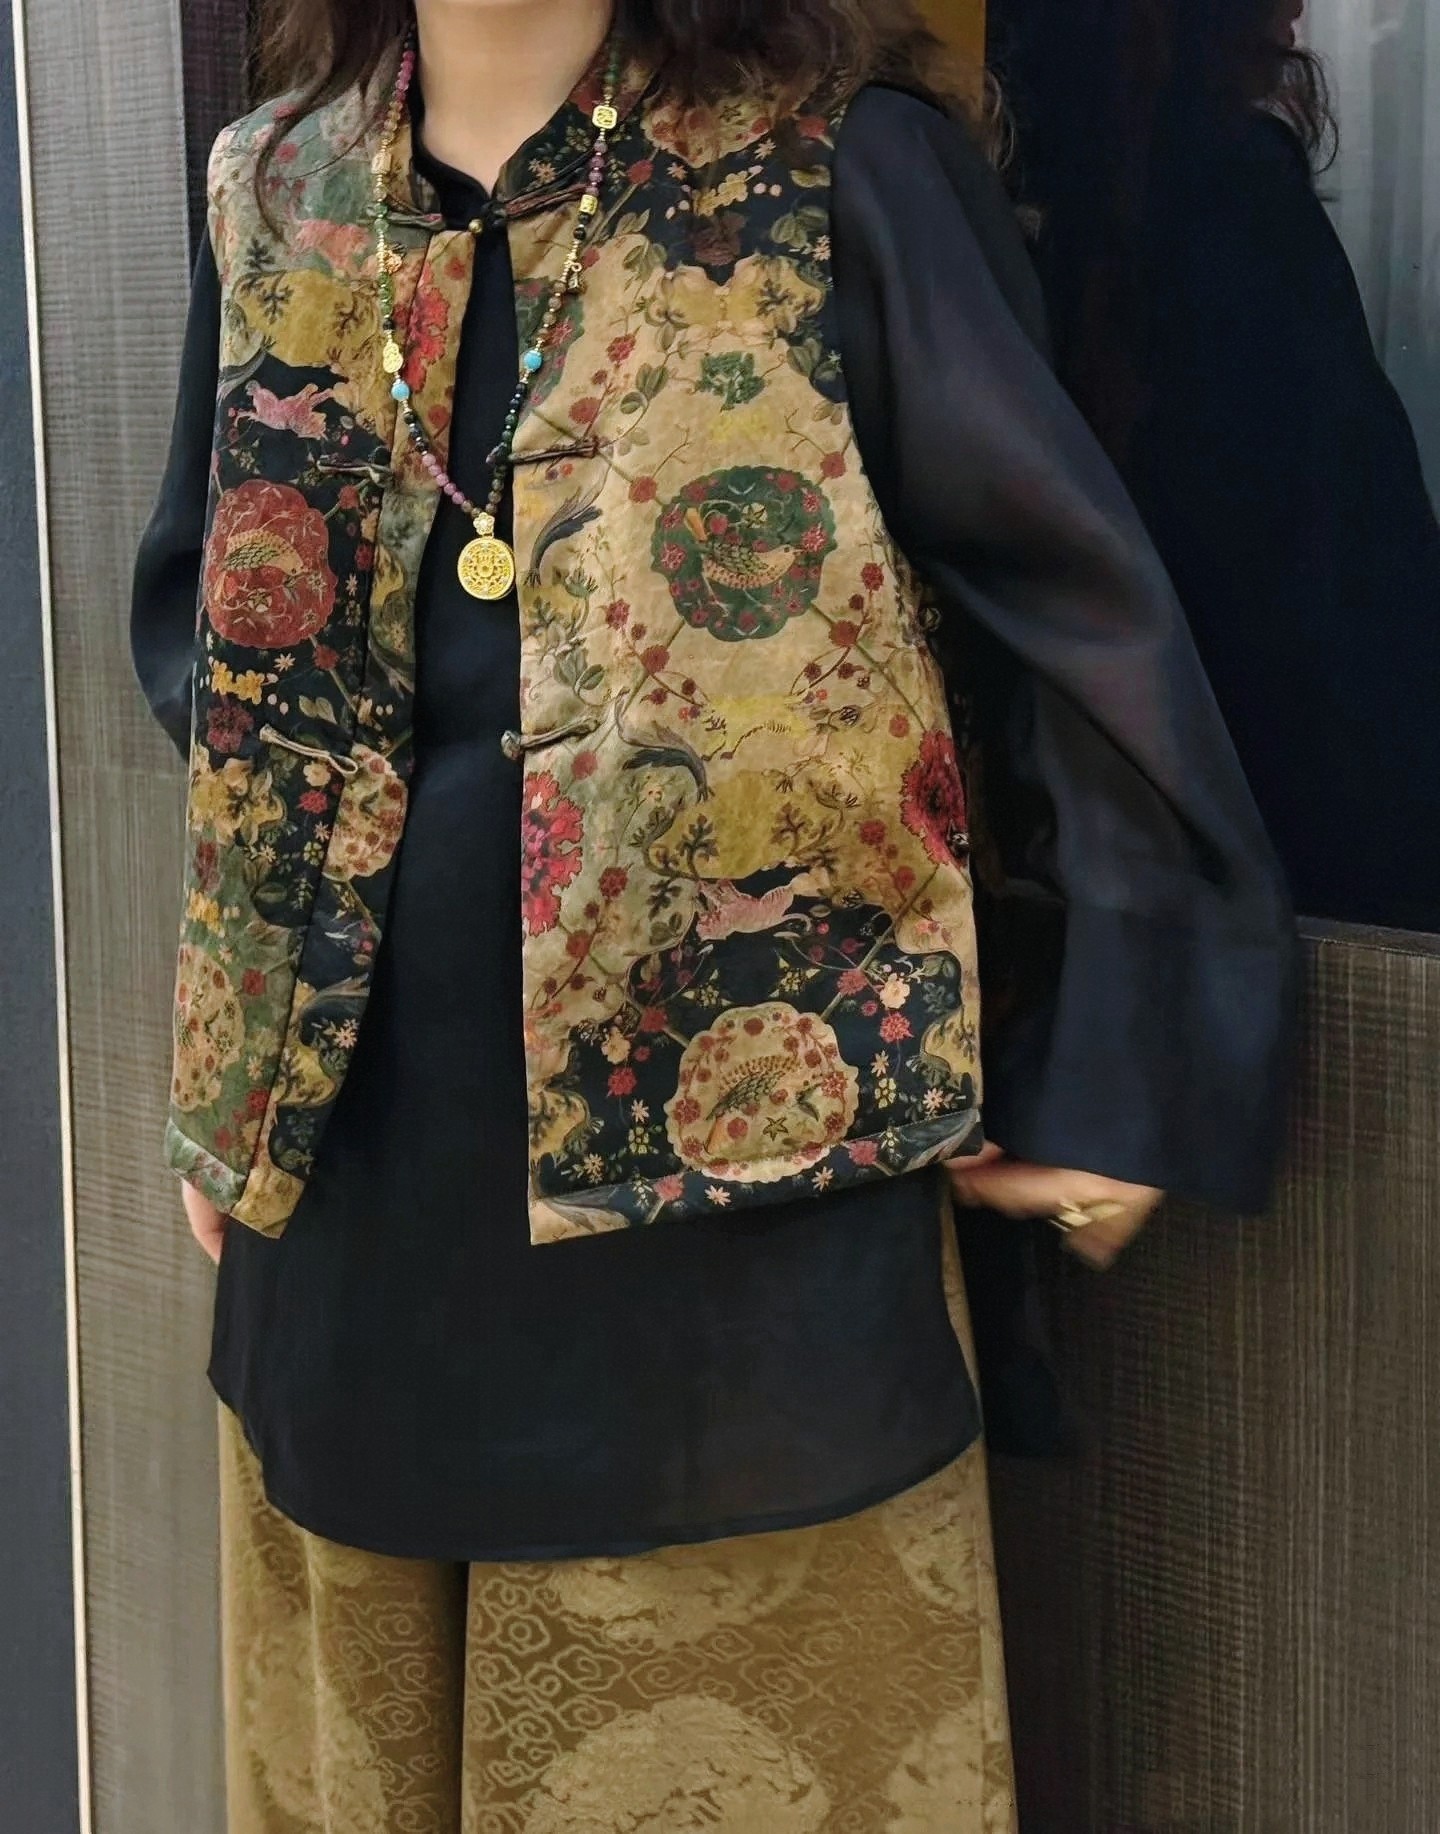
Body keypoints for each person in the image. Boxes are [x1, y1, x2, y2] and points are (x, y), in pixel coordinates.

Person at [131, 0, 1296, 1826]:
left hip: (737, 1230)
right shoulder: (276, 188)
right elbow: (217, 639)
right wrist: (241, 1046)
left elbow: (1068, 606)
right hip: (356, 1196)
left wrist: (1119, 1050)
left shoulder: (836, 166)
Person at [999, 0, 1440, 932]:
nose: (1299, 6)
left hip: (1119, 797)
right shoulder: (1238, 197)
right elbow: (1354, 539)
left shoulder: (1018, 202)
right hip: (1303, 801)